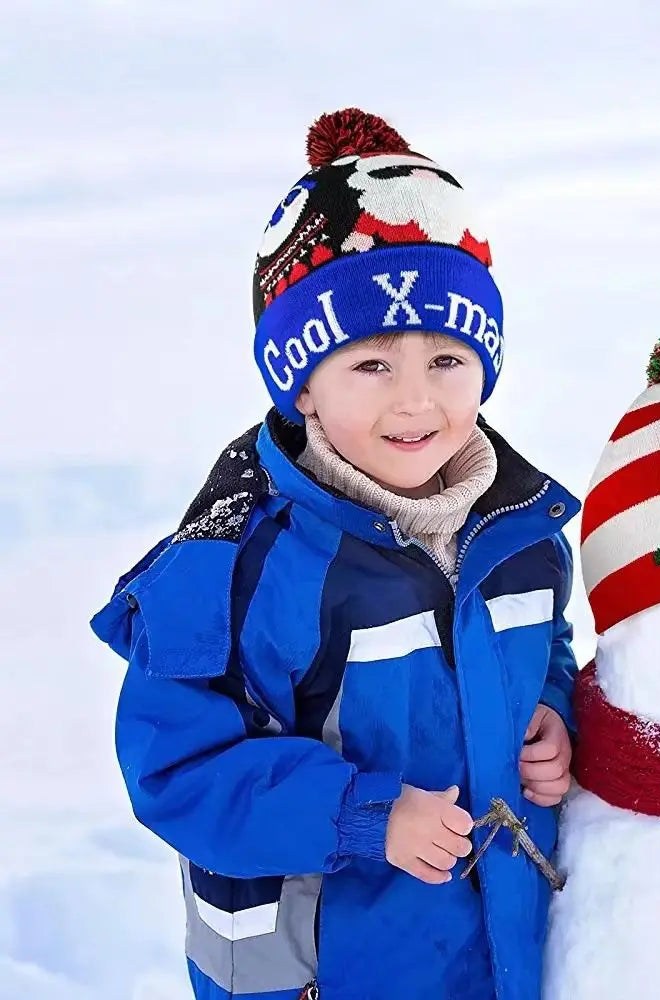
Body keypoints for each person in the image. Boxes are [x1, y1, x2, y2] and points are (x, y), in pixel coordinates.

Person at [91, 108, 580, 1000]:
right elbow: (176, 768)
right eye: (370, 366)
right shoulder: (237, 563)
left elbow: (544, 646)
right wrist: (366, 814)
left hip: (496, 958)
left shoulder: (520, 528)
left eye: (447, 359)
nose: (415, 403)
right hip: (326, 975)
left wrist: (552, 712)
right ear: (302, 385)